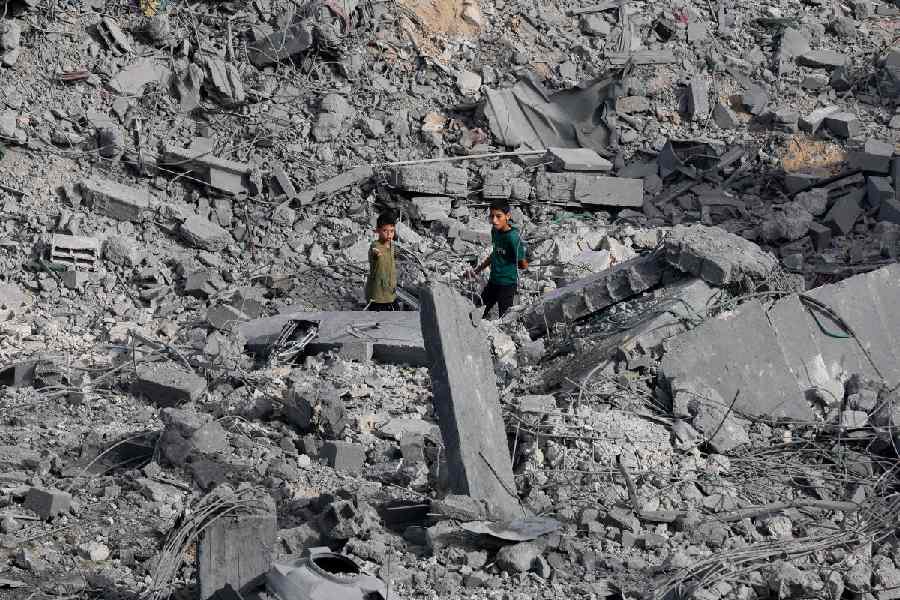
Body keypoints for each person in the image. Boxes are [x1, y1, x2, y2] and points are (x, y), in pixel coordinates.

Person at [470, 200, 528, 318]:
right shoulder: (495, 231)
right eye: (492, 216)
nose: (494, 220)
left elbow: (523, 264)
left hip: (507, 285)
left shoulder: (513, 238)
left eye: (498, 216)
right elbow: (495, 254)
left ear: (507, 216)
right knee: (478, 311)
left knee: (505, 319)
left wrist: (508, 261)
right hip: (493, 282)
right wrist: (478, 269)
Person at [365, 211, 399, 311]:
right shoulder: (375, 247)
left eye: (392, 231)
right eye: (385, 231)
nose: (389, 234)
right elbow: (376, 252)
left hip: (391, 293)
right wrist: (377, 254)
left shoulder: (392, 246)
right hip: (378, 297)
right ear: (378, 231)